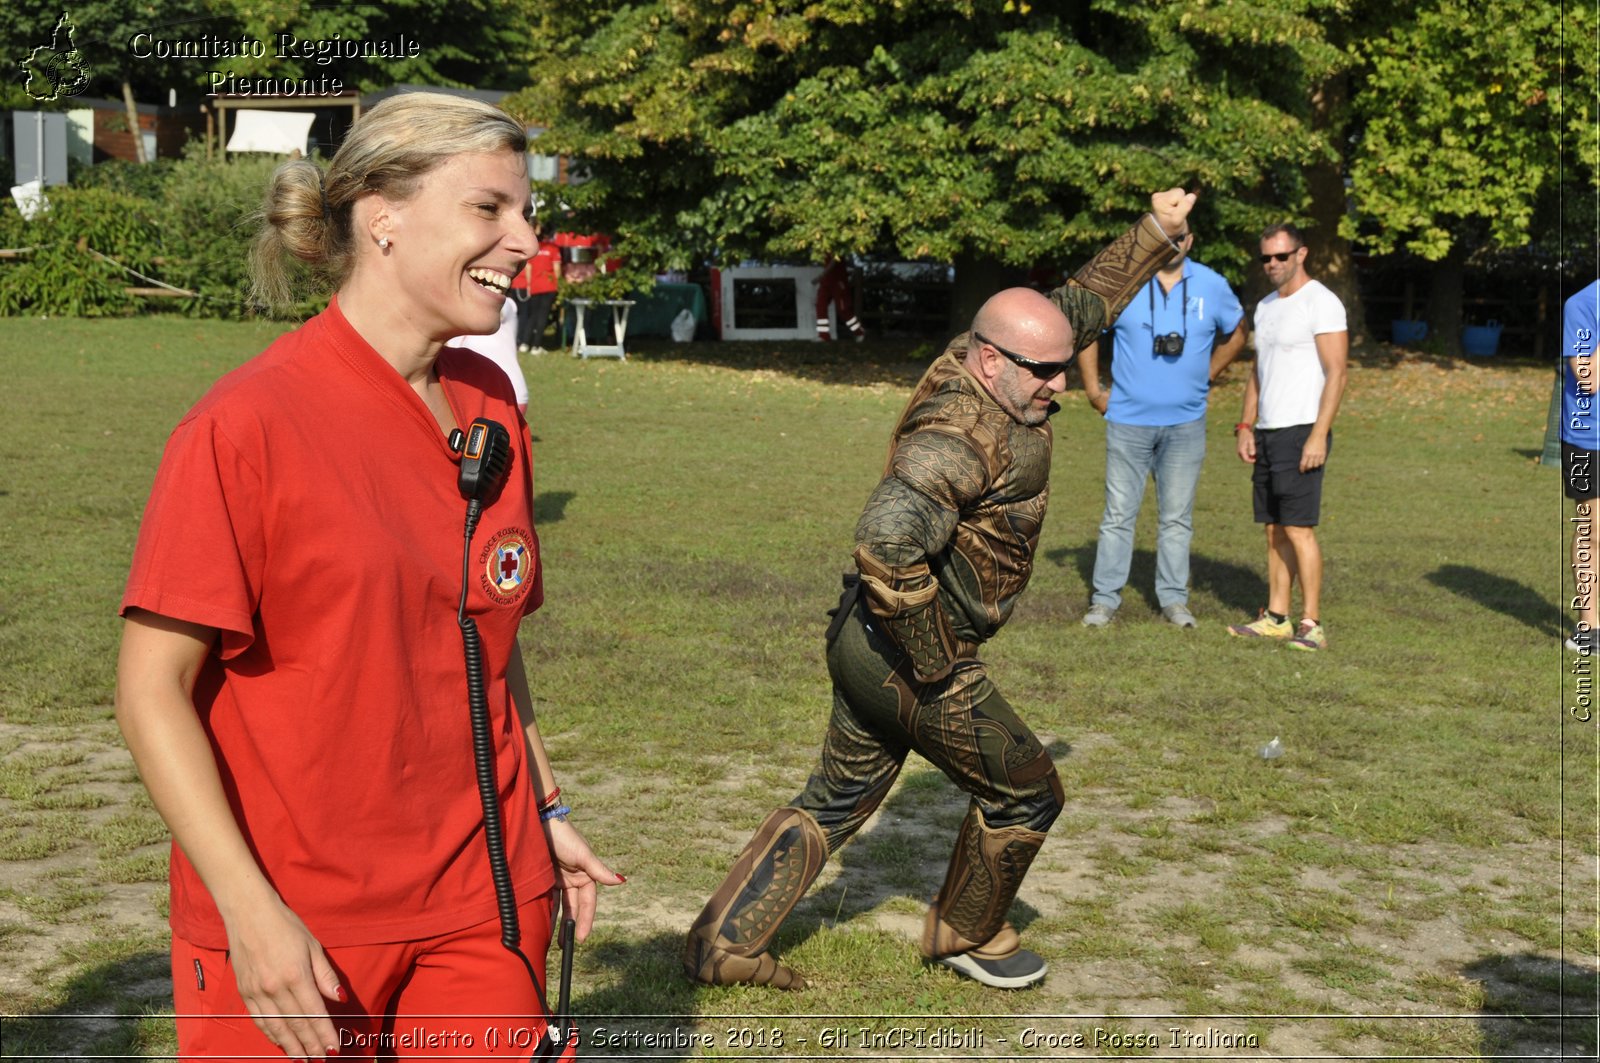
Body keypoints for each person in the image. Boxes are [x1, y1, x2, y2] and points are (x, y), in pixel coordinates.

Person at [114, 92, 622, 1062]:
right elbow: (151, 691)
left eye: (526, 212)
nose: (525, 241)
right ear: (381, 216)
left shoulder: (492, 411)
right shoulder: (244, 428)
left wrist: (545, 811)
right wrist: (249, 910)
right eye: (491, 209)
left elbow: (488, 645)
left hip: (485, 903)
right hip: (299, 922)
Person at [683, 189, 1196, 991]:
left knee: (839, 793)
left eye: (1063, 365)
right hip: (905, 652)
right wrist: (938, 666)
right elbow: (886, 542)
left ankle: (723, 941)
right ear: (991, 361)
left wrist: (1157, 232)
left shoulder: (991, 351)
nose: (1060, 382)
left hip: (862, 640)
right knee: (1028, 790)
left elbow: (1083, 302)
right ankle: (965, 930)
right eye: (1044, 369)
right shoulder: (959, 434)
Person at [1078, 231, 1246, 628]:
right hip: (1128, 420)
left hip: (1186, 423)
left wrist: (1208, 374)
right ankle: (1104, 600)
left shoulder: (1212, 284)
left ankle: (1173, 600)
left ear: (1191, 239)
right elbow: (1087, 330)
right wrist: (1092, 389)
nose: (1176, 242)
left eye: (1183, 235)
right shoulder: (1127, 283)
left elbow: (1238, 332)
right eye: (1168, 235)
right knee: (1118, 514)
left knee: (1176, 517)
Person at [1228, 223, 1348, 651]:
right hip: (1268, 431)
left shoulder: (1322, 303)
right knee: (1274, 528)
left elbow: (1337, 372)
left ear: (1302, 254)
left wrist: (1318, 434)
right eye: (1266, 258)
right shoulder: (1264, 307)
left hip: (1302, 429)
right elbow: (1258, 373)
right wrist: (1246, 426)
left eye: (1281, 256)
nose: (1273, 264)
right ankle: (1276, 616)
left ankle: (1311, 622)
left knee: (1299, 529)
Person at [1562, 280, 1600, 653]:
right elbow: (1588, 379)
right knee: (1593, 531)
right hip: (1588, 438)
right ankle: (1590, 627)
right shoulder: (1582, 304)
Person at [449, 291, 529, 412]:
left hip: (507, 394)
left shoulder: (507, 305)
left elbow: (499, 309)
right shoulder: (455, 325)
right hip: (471, 396)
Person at [512, 221, 561, 355]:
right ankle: (536, 346)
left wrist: (528, 284)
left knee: (532, 316)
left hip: (534, 286)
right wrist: (560, 286)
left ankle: (525, 343)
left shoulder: (536, 248)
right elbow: (557, 271)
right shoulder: (553, 249)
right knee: (542, 317)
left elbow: (529, 267)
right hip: (549, 286)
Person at [816, 254, 866, 341]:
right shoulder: (823, 247)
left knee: (843, 309)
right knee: (820, 306)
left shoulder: (838, 248)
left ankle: (859, 331)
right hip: (827, 282)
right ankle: (823, 335)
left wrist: (821, 276)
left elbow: (834, 261)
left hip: (838, 282)